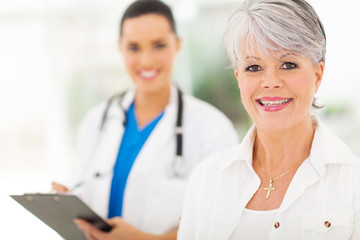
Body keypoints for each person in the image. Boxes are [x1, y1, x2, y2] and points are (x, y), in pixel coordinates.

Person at [52, 0, 239, 239]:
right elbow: (85, 192)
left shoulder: (211, 128)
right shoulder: (96, 121)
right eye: (133, 48)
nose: (147, 60)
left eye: (159, 45)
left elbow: (222, 225)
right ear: (120, 48)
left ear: (177, 45)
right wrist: (70, 203)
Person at [177, 0, 360, 239]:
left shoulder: (353, 183)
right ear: (238, 78)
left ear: (317, 75)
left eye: (288, 64)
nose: (271, 81)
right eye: (253, 67)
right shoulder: (207, 178)